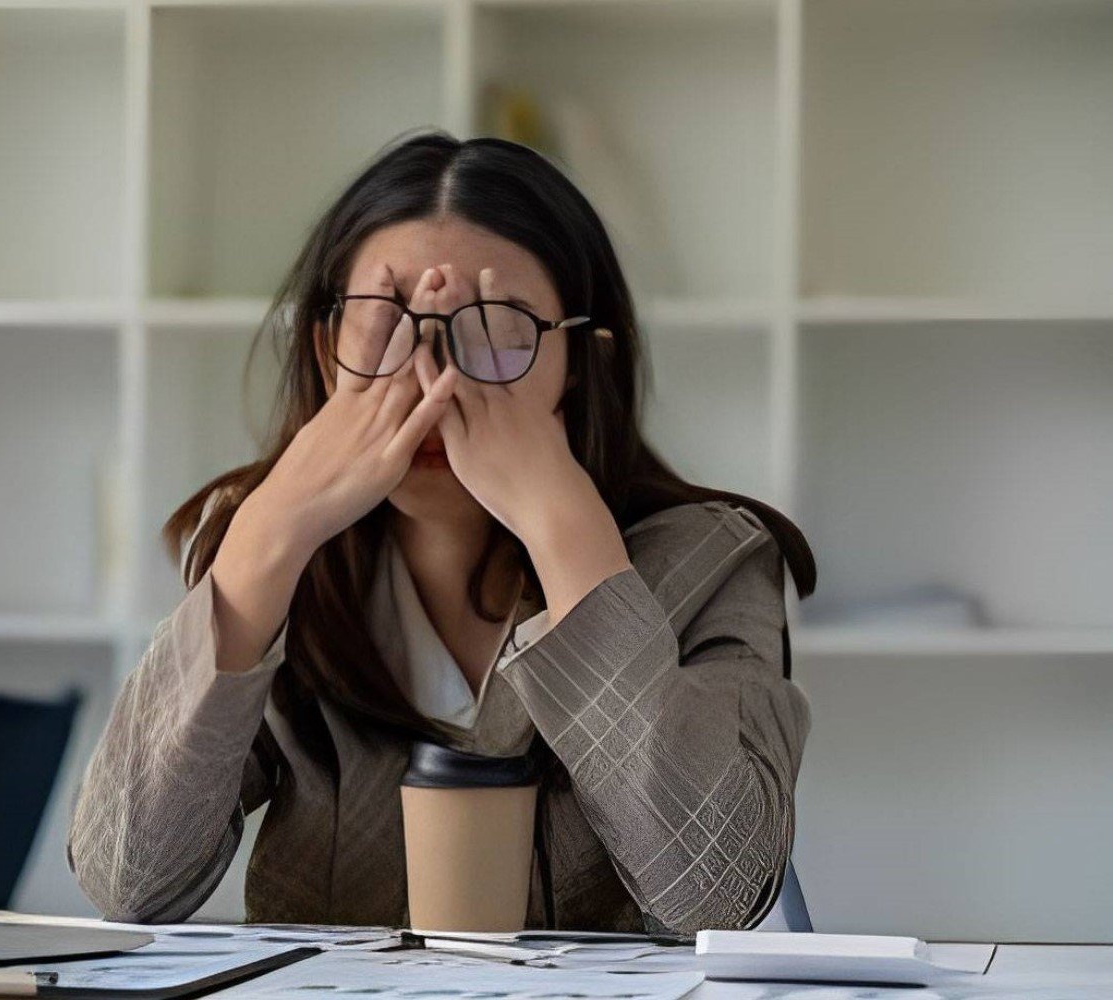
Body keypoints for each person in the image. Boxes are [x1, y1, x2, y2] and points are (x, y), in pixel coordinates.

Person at [67, 129, 816, 936]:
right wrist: (269, 533)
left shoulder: (712, 561)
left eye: (494, 328)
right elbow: (127, 881)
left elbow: (719, 893)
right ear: (326, 352)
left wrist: (568, 532)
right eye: (386, 324)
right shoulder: (274, 556)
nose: (435, 379)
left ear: (583, 364)